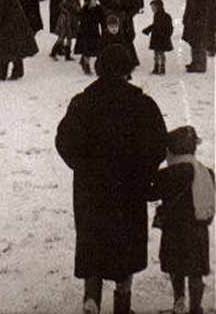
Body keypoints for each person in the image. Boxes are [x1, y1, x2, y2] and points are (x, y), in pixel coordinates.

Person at [55, 44, 167, 314]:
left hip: (91, 189)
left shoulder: (82, 102)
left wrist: (82, 167)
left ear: (99, 67)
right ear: (128, 68)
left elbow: (64, 142)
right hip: (129, 190)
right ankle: (122, 304)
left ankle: (91, 300)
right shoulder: (142, 103)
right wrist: (143, 171)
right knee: (125, 247)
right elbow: (157, 144)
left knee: (93, 243)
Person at [149, 126, 214, 314]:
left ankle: (179, 301)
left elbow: (151, 193)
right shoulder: (207, 172)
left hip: (174, 230)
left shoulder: (168, 173)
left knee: (176, 268)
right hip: (199, 230)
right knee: (196, 272)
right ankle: (196, 307)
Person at [179, 0, 216, 73]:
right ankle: (196, 62)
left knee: (198, 39)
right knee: (196, 38)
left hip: (199, 15)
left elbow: (193, 1)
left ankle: (199, 65)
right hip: (204, 14)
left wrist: (190, 16)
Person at [74, 0, 103, 75]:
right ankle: (86, 66)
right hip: (85, 33)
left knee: (97, 51)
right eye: (94, 0)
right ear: (89, 1)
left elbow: (102, 20)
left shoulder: (98, 9)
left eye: (96, 0)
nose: (95, 2)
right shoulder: (84, 10)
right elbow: (80, 19)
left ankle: (97, 67)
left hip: (95, 32)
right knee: (87, 51)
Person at [142, 0, 174, 75]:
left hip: (160, 38)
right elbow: (155, 25)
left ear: (158, 7)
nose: (152, 9)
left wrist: (166, 35)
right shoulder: (157, 15)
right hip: (158, 38)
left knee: (160, 54)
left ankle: (161, 67)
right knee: (157, 53)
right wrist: (148, 30)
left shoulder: (164, 16)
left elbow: (168, 27)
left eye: (153, 7)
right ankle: (157, 67)